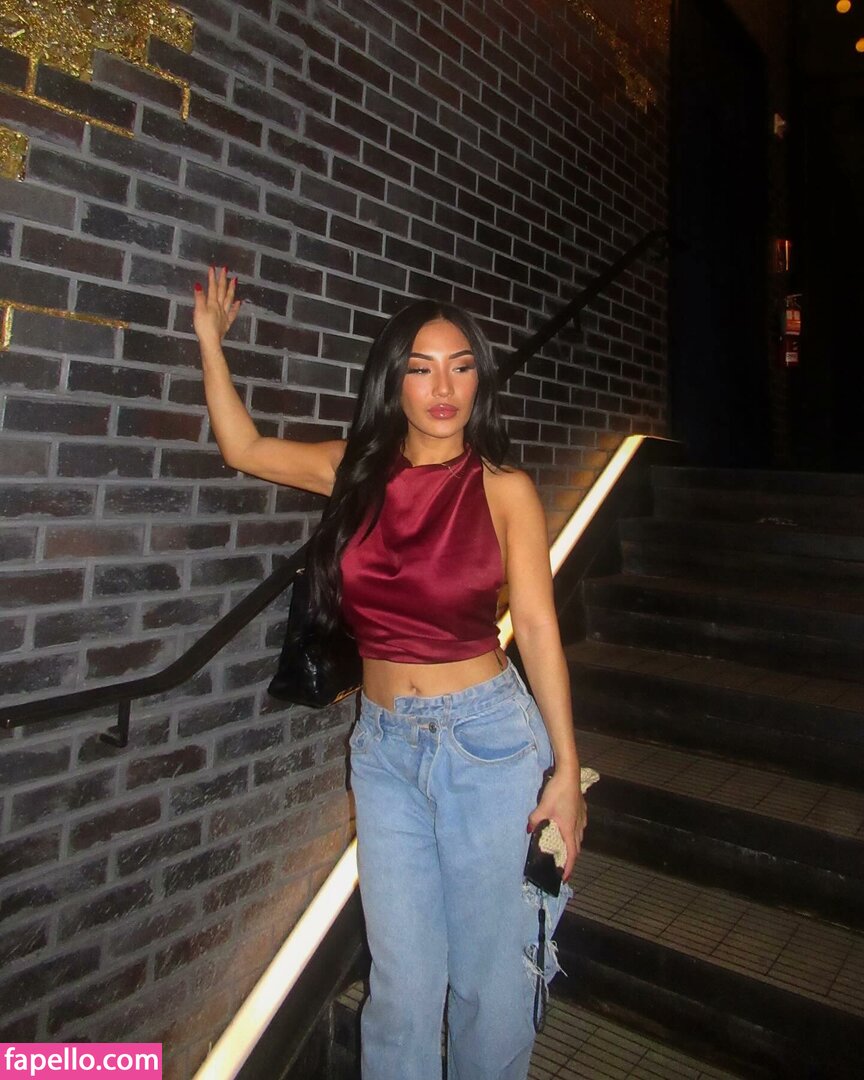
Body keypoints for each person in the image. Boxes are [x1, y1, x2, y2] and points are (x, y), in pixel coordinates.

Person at [193, 267, 587, 1080]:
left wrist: (566, 770)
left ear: (480, 378)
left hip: (488, 744)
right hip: (382, 750)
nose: (443, 388)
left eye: (460, 367)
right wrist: (210, 342)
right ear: (394, 381)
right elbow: (244, 448)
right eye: (421, 368)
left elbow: (539, 628)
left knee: (488, 984)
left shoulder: (504, 487)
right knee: (400, 988)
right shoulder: (356, 470)